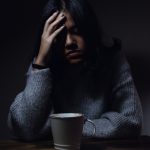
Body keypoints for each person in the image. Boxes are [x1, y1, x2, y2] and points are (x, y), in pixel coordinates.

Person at [8, 0, 143, 141]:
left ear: (89, 31)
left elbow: (132, 121)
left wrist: (65, 129)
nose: (69, 42)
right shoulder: (43, 67)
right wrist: (40, 63)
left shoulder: (112, 61)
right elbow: (25, 127)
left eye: (76, 31)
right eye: (60, 35)